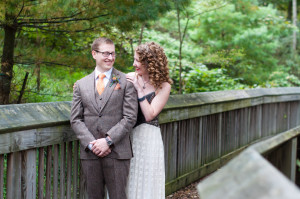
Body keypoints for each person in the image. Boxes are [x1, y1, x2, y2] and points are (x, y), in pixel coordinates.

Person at [70, 37, 138, 199]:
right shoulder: (81, 84)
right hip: (90, 153)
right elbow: (75, 119)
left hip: (117, 152)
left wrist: (107, 141)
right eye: (106, 53)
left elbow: (130, 117)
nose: (110, 57)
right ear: (94, 54)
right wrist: (92, 144)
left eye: (113, 54)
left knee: (118, 196)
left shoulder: (126, 82)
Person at [126, 42, 172, 199]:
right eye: (134, 59)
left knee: (146, 179)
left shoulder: (163, 86)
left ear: (149, 62)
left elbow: (150, 114)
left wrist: (139, 90)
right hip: (128, 137)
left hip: (148, 138)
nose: (134, 64)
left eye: (138, 61)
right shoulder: (130, 77)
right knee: (128, 178)